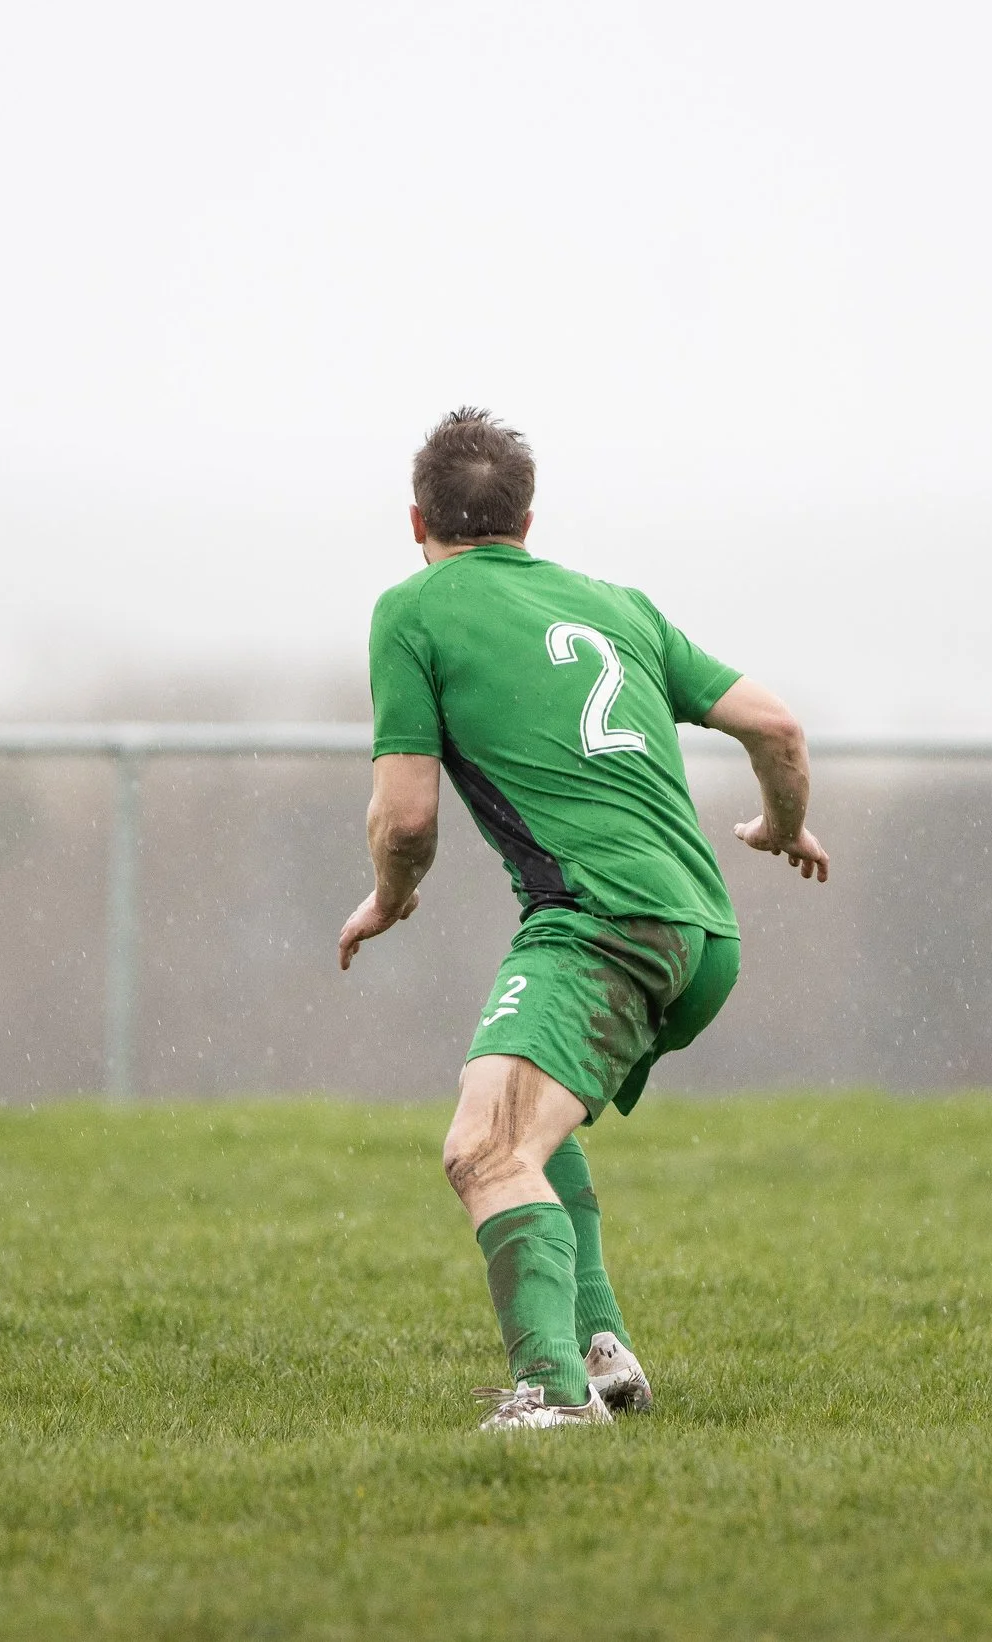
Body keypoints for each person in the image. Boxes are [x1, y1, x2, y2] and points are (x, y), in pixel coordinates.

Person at [337, 408, 830, 1431]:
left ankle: (552, 1399)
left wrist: (390, 895)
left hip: (601, 923)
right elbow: (776, 726)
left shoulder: (412, 609)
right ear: (526, 516)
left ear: (416, 517)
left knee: (483, 1146)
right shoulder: (617, 605)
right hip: (701, 934)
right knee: (516, 1086)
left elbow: (408, 814)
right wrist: (783, 828)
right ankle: (598, 1349)